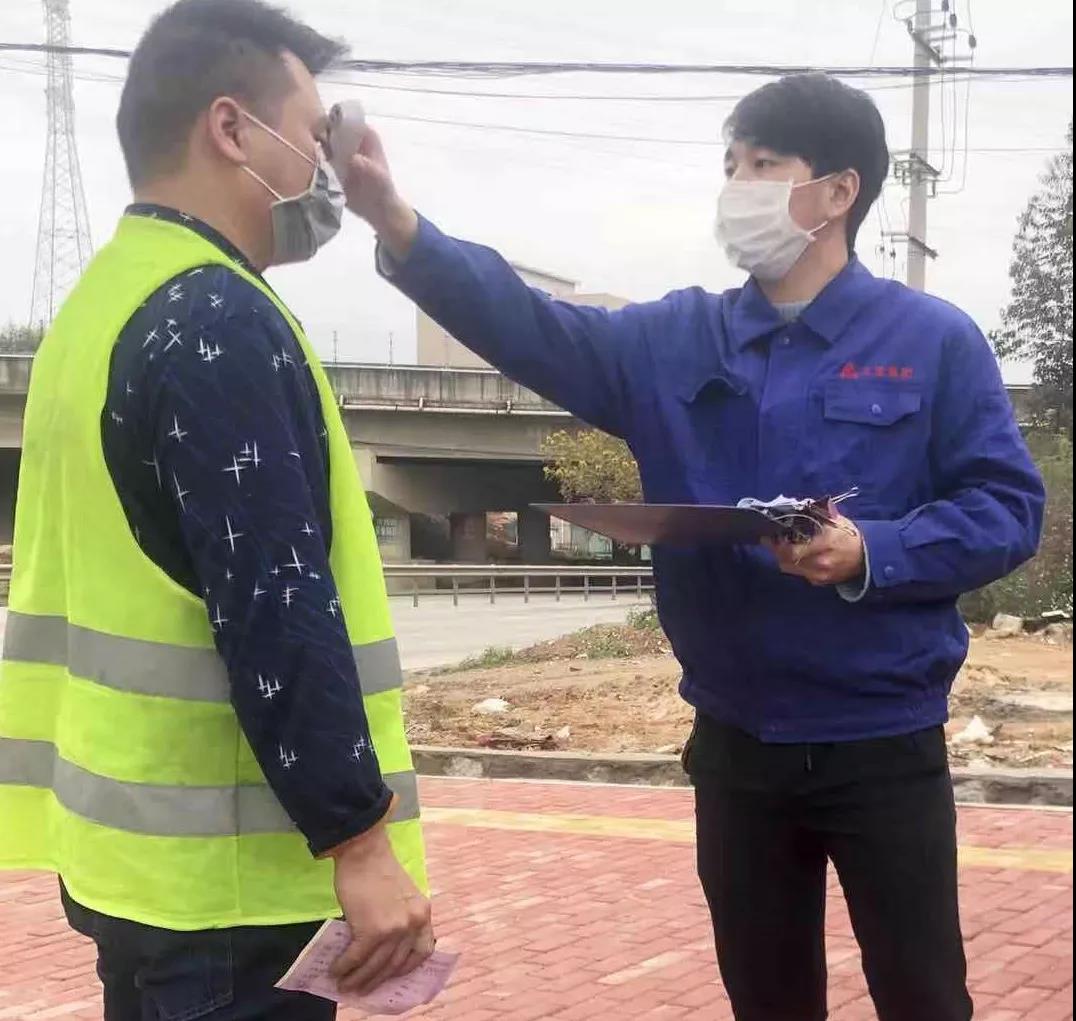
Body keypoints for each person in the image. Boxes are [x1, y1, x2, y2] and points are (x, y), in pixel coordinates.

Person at [344, 73, 1045, 1021]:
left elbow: (1007, 507)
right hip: (736, 747)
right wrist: (397, 224)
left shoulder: (931, 340)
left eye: (763, 164)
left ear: (839, 190)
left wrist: (872, 551)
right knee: (766, 1000)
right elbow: (533, 325)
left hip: (882, 741)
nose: (737, 187)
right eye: (730, 166)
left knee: (923, 996)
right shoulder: (676, 338)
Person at [0, 2, 434, 1018]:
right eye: (315, 135)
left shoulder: (98, 309)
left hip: (132, 870)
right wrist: (360, 842)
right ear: (232, 128)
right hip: (231, 899)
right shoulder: (217, 320)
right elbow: (273, 606)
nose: (326, 170)